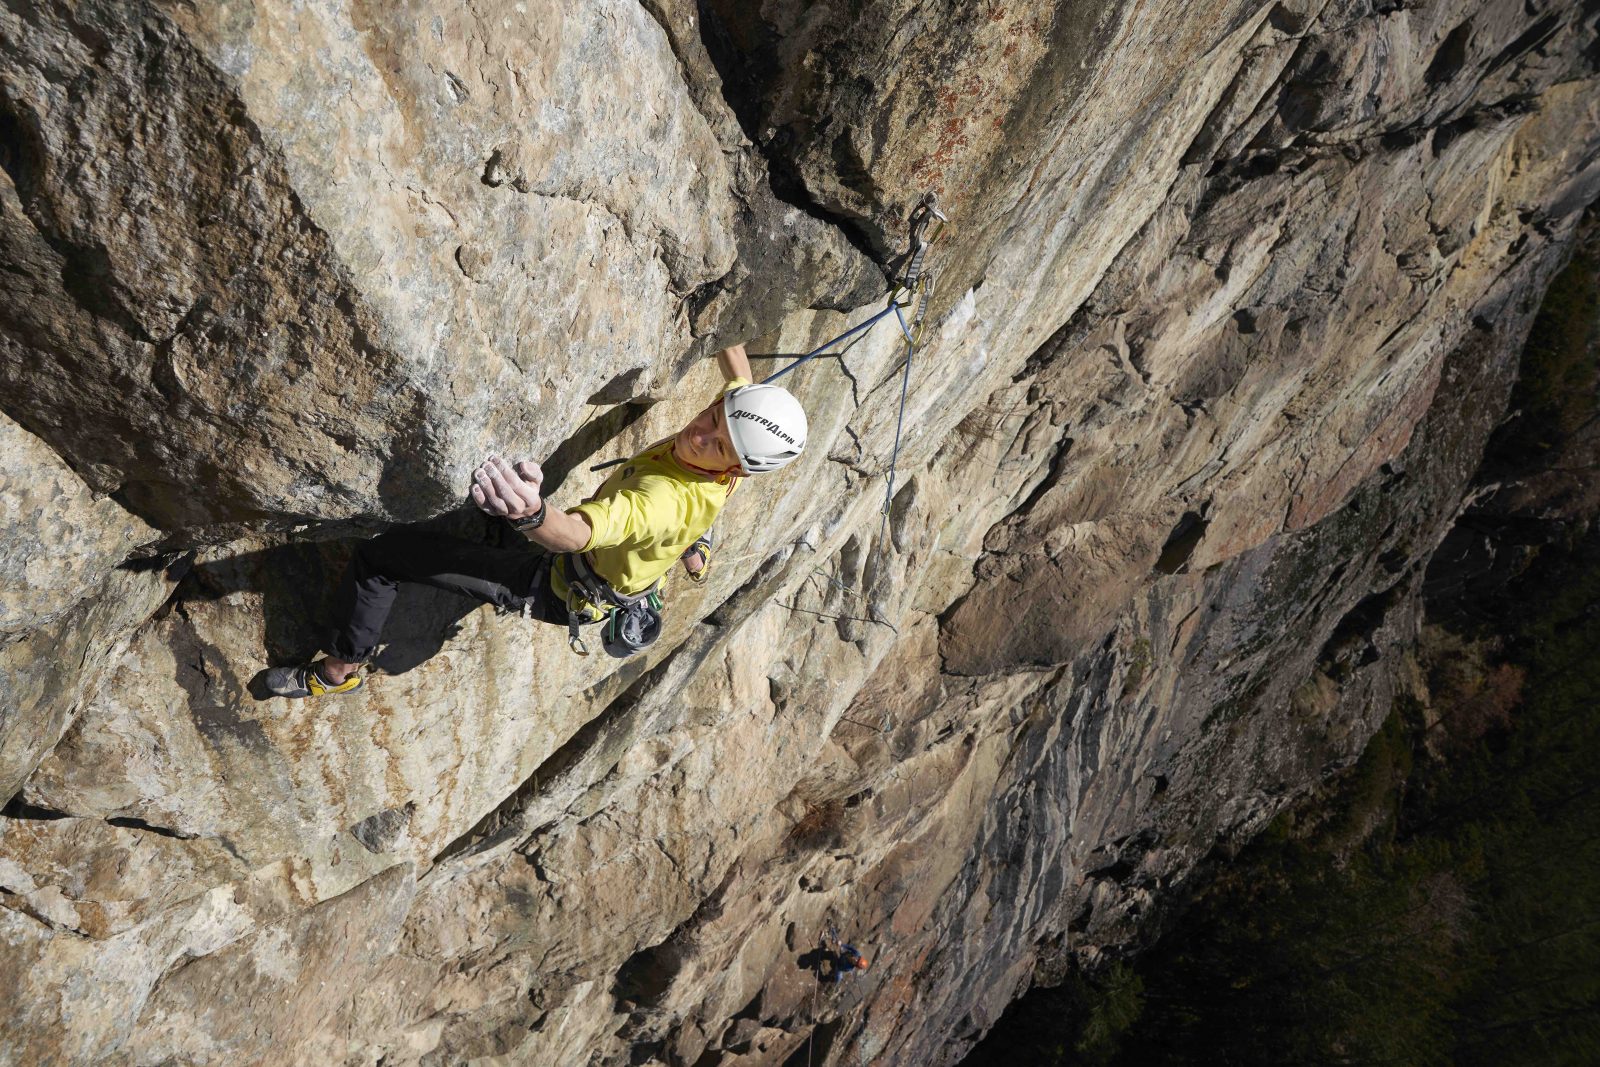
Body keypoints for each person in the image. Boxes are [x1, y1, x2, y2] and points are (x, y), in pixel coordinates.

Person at [265, 343, 806, 698]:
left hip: (556, 582)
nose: (699, 433)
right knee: (659, 538)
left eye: (717, 443)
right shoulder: (737, 432)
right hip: (622, 556)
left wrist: (531, 513)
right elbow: (739, 377)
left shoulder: (661, 498)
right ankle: (678, 556)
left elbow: (576, 534)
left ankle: (338, 671)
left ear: (738, 467)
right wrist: (721, 331)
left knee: (381, 558)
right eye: (712, 416)